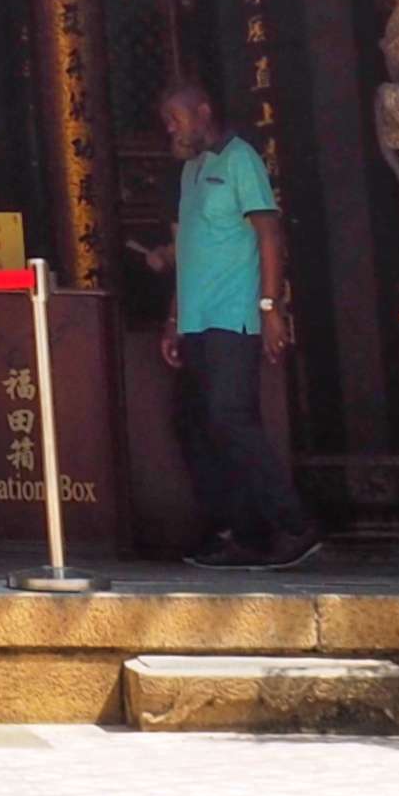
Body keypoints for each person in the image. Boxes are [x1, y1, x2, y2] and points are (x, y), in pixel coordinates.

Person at [136, 83, 320, 570]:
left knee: (231, 419)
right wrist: (173, 318)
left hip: (233, 315)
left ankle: (294, 524)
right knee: (194, 425)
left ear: (203, 110)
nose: (170, 129)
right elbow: (191, 252)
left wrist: (269, 305)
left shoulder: (241, 159)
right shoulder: (191, 172)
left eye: (176, 118)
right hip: (196, 320)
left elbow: (269, 235)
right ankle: (243, 531)